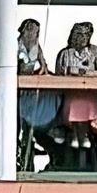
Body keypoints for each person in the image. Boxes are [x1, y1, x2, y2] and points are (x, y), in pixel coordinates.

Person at [16, 18, 59, 170]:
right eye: (31, 29)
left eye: (36, 31)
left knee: (29, 123)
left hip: (29, 87)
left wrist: (42, 74)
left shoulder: (36, 46)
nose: (33, 34)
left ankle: (27, 154)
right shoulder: (16, 45)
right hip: (16, 86)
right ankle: (18, 155)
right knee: (17, 123)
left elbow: (43, 64)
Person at [56, 22, 97, 151]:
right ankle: (74, 133)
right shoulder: (65, 53)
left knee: (88, 101)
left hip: (89, 91)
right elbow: (58, 75)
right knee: (73, 102)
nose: (83, 38)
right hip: (70, 91)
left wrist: (85, 72)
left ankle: (84, 134)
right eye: (79, 34)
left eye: (86, 35)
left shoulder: (94, 51)